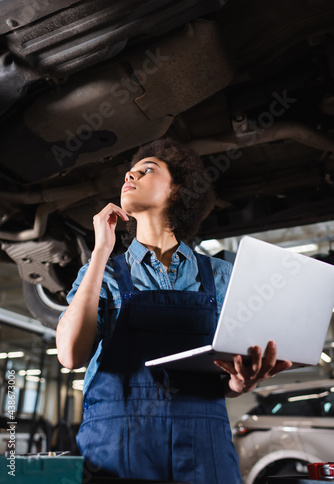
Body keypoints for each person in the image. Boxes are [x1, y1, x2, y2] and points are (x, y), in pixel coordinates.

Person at [56, 137, 292, 484]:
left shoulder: (223, 276)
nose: (129, 177)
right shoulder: (102, 271)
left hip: (204, 445)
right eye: (128, 172)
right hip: (117, 445)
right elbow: (70, 355)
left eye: (146, 170)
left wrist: (240, 384)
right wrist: (101, 251)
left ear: (179, 191)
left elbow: (227, 373)